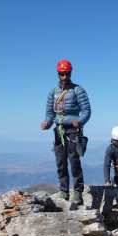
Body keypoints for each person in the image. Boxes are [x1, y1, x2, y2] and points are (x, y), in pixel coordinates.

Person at [40, 59, 91, 204]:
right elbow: (50, 113)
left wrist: (80, 121)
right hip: (59, 131)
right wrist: (47, 123)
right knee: (60, 162)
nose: (64, 77)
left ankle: (77, 191)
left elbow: (86, 110)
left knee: (74, 161)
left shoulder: (77, 90)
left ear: (70, 73)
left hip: (73, 130)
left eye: (66, 74)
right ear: (58, 74)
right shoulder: (53, 92)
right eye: (62, 74)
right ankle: (63, 190)